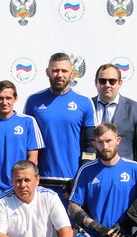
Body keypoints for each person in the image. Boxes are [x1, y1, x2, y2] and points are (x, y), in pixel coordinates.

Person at [23, 52, 95, 194]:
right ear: (48, 72)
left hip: (72, 182)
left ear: (72, 73)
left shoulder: (84, 102)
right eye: (55, 70)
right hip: (40, 181)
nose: (60, 75)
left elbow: (91, 145)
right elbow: (26, 142)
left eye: (64, 71)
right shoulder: (33, 101)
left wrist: (81, 176)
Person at [0, 80, 43, 194]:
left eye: (8, 98)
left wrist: (22, 182)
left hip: (21, 187)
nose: (4, 102)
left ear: (15, 98)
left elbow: (33, 157)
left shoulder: (28, 121)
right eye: (0, 98)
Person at [92, 64, 137, 174]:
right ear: (96, 82)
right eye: (102, 81)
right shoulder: (86, 107)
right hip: (92, 175)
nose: (107, 85)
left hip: (125, 176)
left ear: (120, 83)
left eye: (112, 81)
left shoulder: (135, 109)